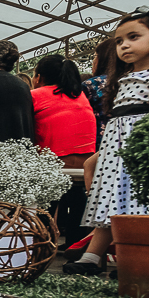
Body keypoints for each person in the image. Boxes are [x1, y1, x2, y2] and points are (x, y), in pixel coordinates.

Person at [66, 6, 149, 275]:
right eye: (119, 41)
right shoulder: (120, 79)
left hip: (146, 153)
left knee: (143, 204)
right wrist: (102, 154)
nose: (124, 45)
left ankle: (140, 260)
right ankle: (92, 256)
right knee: (112, 201)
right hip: (115, 152)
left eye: (133, 37)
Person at [31, 55, 97, 247]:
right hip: (86, 166)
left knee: (46, 201)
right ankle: (75, 245)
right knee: (76, 197)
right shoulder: (79, 95)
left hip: (56, 164)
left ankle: (41, 245)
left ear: (39, 77)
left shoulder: (36, 95)